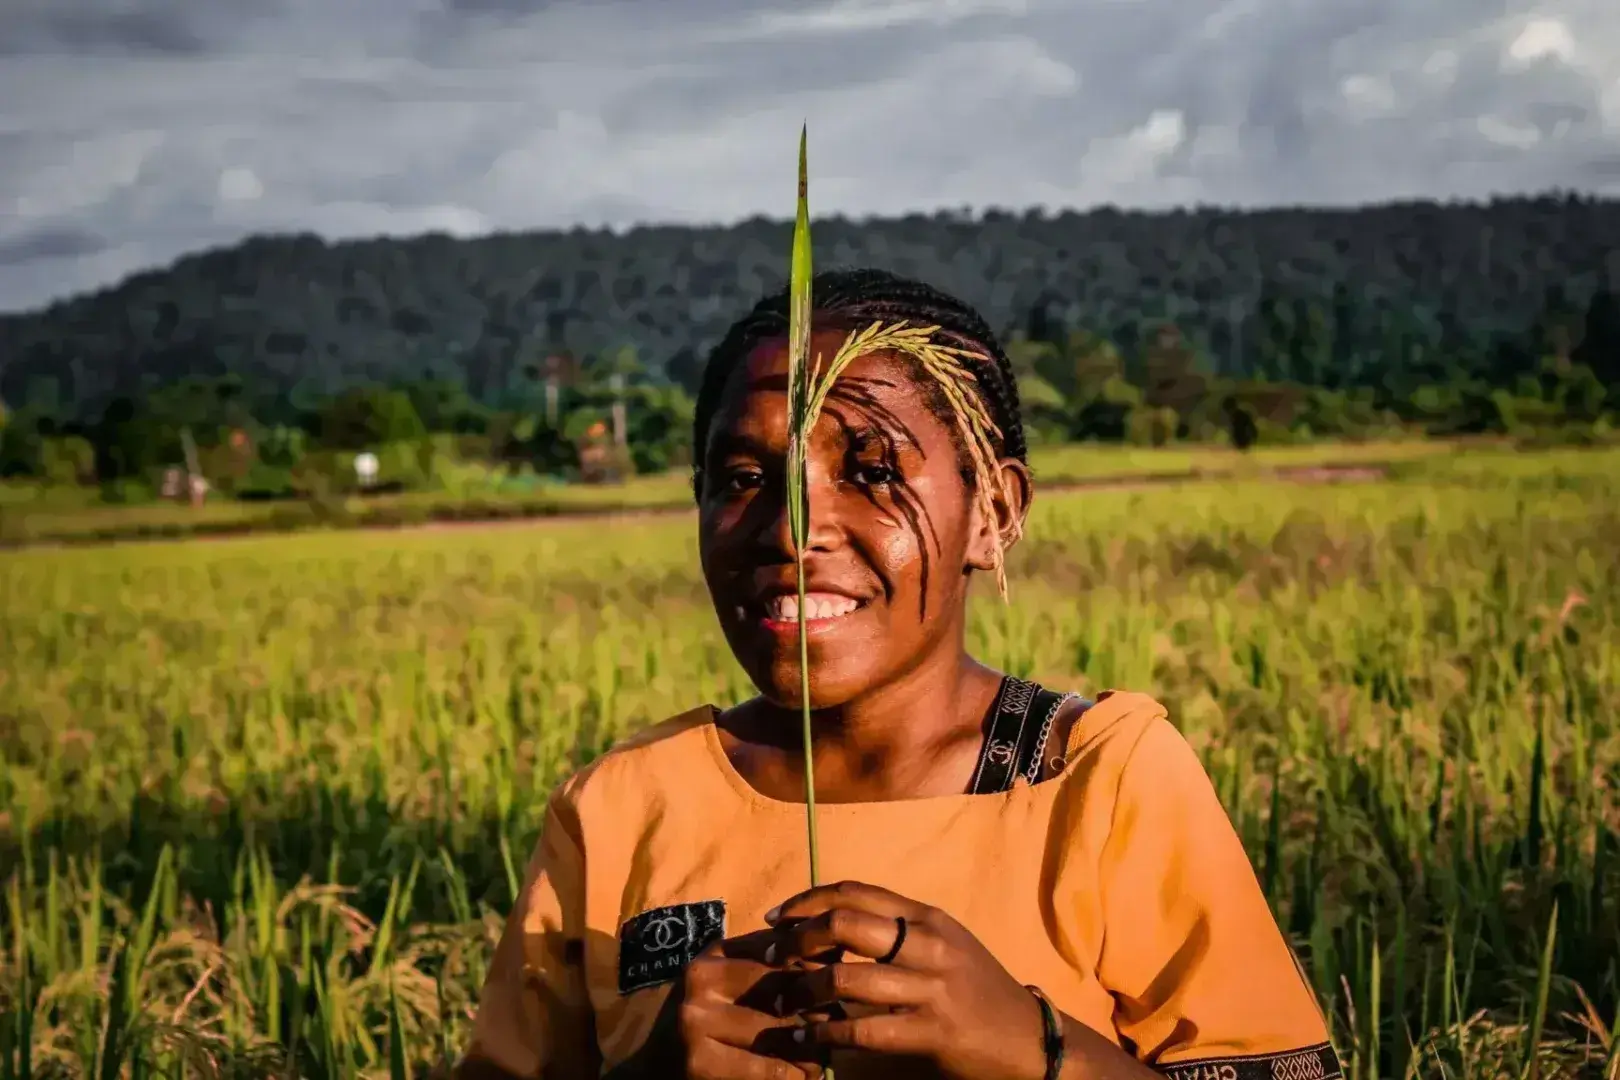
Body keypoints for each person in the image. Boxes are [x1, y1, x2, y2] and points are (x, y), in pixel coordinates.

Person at [456, 269, 1340, 1080]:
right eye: (742, 477)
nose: (795, 532)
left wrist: (1031, 1049)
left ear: (993, 511)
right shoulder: (620, 810)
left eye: (873, 472)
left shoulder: (1094, 781)